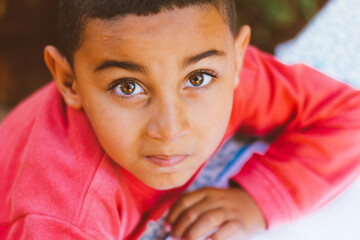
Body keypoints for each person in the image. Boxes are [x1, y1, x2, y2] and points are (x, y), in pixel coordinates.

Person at [0, 0, 359, 239]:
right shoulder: (63, 217)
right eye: (127, 87)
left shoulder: (231, 76)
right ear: (68, 80)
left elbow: (349, 115)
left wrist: (258, 198)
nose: (170, 129)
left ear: (236, 59)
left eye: (197, 79)